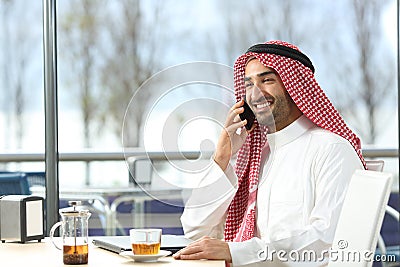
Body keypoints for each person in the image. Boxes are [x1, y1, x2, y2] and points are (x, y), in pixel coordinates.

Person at [172, 40, 366, 266]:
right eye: (249, 84)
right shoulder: (258, 157)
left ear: (297, 87)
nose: (255, 94)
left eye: (267, 80)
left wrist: (236, 252)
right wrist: (222, 157)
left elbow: (325, 239)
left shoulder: (332, 150)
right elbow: (194, 229)